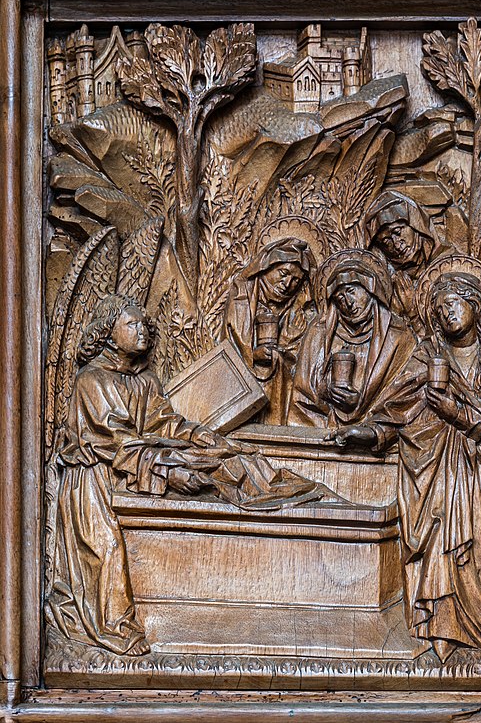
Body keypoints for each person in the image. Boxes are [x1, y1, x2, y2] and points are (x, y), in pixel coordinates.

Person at [46, 294, 327, 656]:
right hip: (95, 477)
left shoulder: (143, 378)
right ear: (108, 333)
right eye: (131, 325)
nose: (142, 331)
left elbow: (162, 422)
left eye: (143, 324)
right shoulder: (92, 380)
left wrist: (198, 436)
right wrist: (168, 471)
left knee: (228, 456)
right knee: (108, 549)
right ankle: (113, 624)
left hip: (139, 458)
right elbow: (116, 441)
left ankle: (268, 489)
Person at [326, 259, 481, 662]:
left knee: (460, 536)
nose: (448, 313)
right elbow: (399, 407)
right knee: (434, 534)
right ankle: (439, 624)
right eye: (440, 309)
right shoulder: (428, 355)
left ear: (476, 304)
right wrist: (369, 431)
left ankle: (467, 617)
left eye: (455, 303)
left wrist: (455, 413)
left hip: (473, 469)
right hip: (426, 466)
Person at [288, 249, 415, 428]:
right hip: (318, 431)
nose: (348, 302)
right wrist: (325, 391)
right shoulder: (320, 331)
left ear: (370, 287)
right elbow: (302, 390)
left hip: (380, 434)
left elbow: (405, 395)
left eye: (351, 291)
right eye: (340, 298)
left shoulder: (398, 336)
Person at [221, 237, 315, 424]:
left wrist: (286, 344)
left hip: (281, 397)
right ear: (267, 266)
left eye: (295, 280)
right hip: (236, 395)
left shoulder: (297, 308)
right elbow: (229, 346)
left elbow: (301, 359)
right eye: (283, 273)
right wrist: (253, 355)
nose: (287, 284)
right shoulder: (242, 297)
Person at [366, 190, 453, 334]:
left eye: (398, 232)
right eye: (386, 241)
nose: (397, 244)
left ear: (415, 225)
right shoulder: (390, 287)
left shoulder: (448, 264)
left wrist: (412, 310)